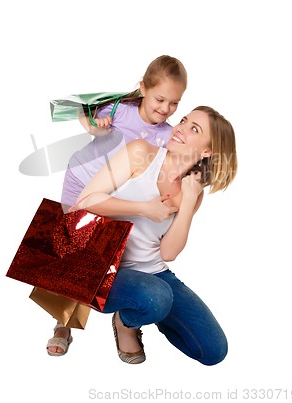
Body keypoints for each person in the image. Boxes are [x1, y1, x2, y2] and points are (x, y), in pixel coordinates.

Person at [72, 106, 237, 365]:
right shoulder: (141, 153)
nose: (180, 128)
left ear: (207, 151)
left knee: (214, 351)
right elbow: (85, 201)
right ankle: (127, 323)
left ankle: (139, 311)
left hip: (154, 274)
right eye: (183, 120)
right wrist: (144, 208)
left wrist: (190, 199)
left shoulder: (193, 192)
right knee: (156, 296)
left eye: (194, 129)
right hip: (103, 268)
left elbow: (168, 253)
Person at [46, 55, 188, 355]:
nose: (165, 109)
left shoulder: (166, 135)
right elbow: (87, 114)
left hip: (117, 200)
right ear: (143, 88)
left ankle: (125, 321)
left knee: (106, 257)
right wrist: (95, 127)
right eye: (160, 99)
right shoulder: (121, 109)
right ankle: (64, 324)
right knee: (74, 256)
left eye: (174, 103)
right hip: (80, 186)